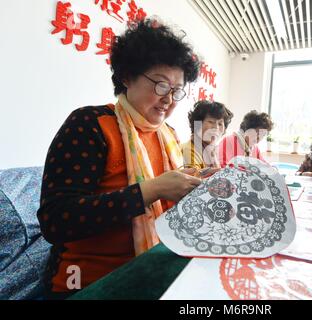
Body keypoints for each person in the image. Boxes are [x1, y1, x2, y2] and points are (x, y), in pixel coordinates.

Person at [37, 18, 202, 298]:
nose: (169, 99)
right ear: (127, 76)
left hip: (152, 268)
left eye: (177, 91)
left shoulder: (169, 136)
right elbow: (56, 221)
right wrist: (154, 189)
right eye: (161, 85)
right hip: (85, 282)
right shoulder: (90, 124)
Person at [181, 100, 233, 173]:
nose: (216, 128)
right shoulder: (189, 149)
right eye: (211, 122)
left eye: (220, 124)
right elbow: (194, 180)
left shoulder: (212, 150)